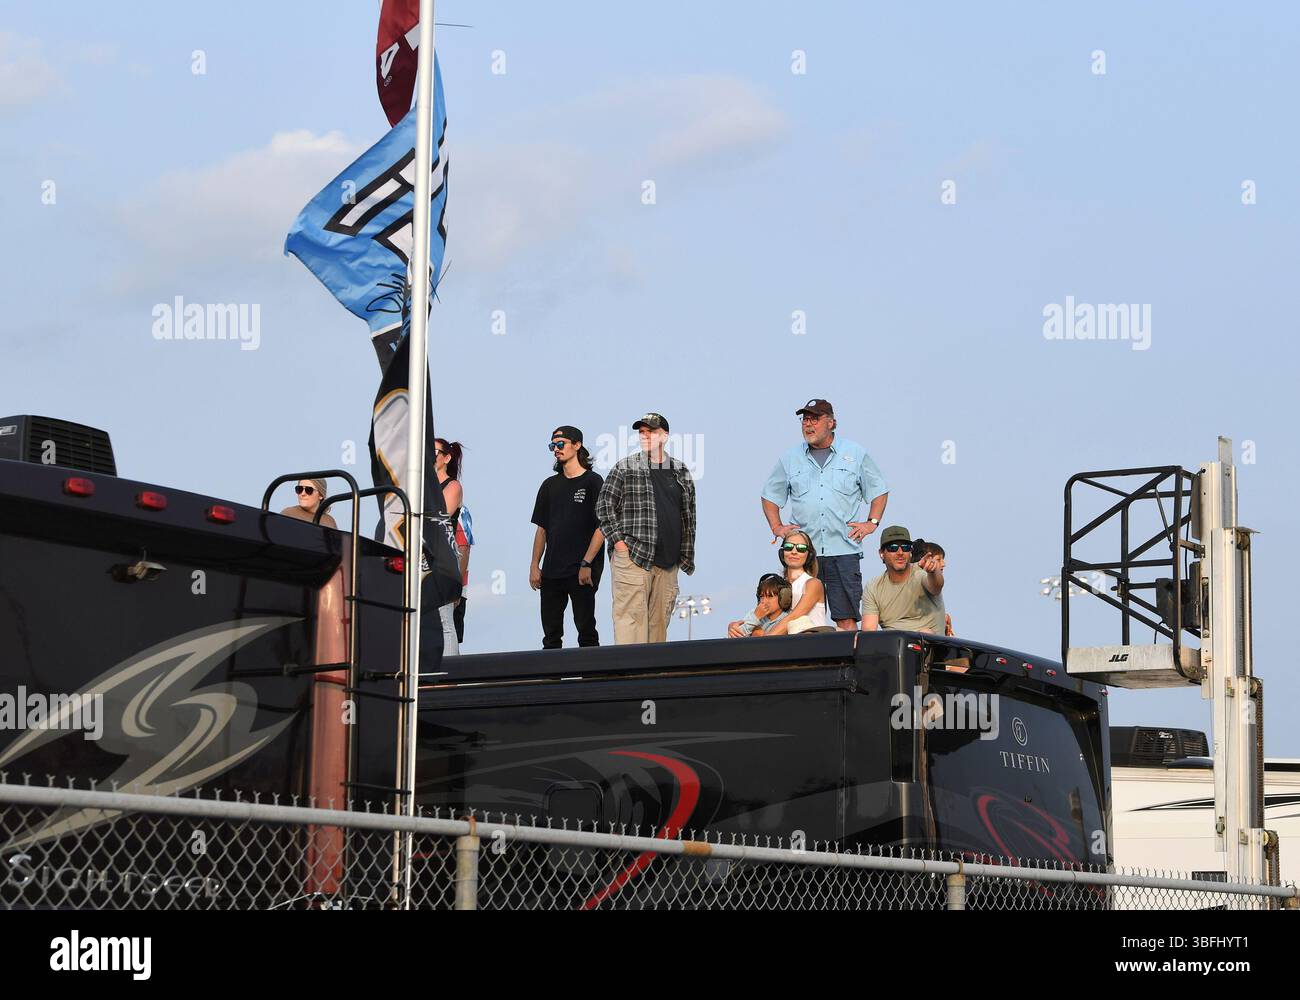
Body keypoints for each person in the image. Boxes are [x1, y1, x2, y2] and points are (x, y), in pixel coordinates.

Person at [761, 399, 888, 632]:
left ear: (831, 422)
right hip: (802, 555)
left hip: (844, 550)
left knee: (846, 620)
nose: (808, 425)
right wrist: (777, 527)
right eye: (805, 419)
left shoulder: (855, 454)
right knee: (799, 618)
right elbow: (769, 495)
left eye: (815, 419)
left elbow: (879, 490)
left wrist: (871, 523)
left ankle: (846, 667)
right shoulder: (790, 458)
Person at [595, 412, 696, 645]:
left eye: (651, 431)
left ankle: (652, 679)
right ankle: (629, 678)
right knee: (630, 622)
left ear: (665, 436)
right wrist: (620, 546)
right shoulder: (625, 468)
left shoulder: (680, 472)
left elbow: (688, 517)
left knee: (659, 627)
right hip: (633, 557)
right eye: (641, 432)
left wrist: (683, 556)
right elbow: (603, 508)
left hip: (668, 562)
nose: (645, 435)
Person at [530, 426, 606, 648]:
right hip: (552, 571)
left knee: (586, 630)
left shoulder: (593, 481)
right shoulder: (549, 485)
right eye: (553, 445)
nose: (556, 449)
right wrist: (534, 565)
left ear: (577, 445)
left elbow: (602, 527)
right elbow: (541, 529)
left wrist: (586, 563)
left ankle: (590, 681)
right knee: (551, 635)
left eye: (561, 444)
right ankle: (552, 682)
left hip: (581, 570)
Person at [861, 525, 946, 633]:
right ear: (881, 553)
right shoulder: (873, 587)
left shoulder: (921, 572)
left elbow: (936, 586)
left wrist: (933, 571)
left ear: (910, 552)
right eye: (893, 547)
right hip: (891, 646)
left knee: (925, 633)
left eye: (905, 547)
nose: (900, 552)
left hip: (929, 645)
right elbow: (869, 631)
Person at [757, 530, 833, 635]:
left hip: (812, 642)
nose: (794, 551)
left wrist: (766, 642)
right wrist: (737, 625)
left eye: (801, 548)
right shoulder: (776, 585)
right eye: (788, 547)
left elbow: (795, 616)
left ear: (809, 555)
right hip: (784, 644)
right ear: (782, 552)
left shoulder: (813, 583)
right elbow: (761, 615)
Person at [433, 438, 464, 656]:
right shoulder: (421, 486)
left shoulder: (452, 486)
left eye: (434, 452)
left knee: (444, 618)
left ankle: (451, 674)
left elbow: (437, 517)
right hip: (421, 556)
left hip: (441, 557)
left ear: (446, 457)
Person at [727, 573, 793, 637]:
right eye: (761, 596)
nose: (764, 601)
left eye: (770, 596)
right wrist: (756, 617)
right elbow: (734, 637)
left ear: (784, 597)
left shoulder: (788, 617)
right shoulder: (754, 613)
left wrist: (756, 631)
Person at [453, 505, 473, 645]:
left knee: (451, 636)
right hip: (430, 586)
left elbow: (464, 549)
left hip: (453, 587)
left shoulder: (461, 512)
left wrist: (457, 588)